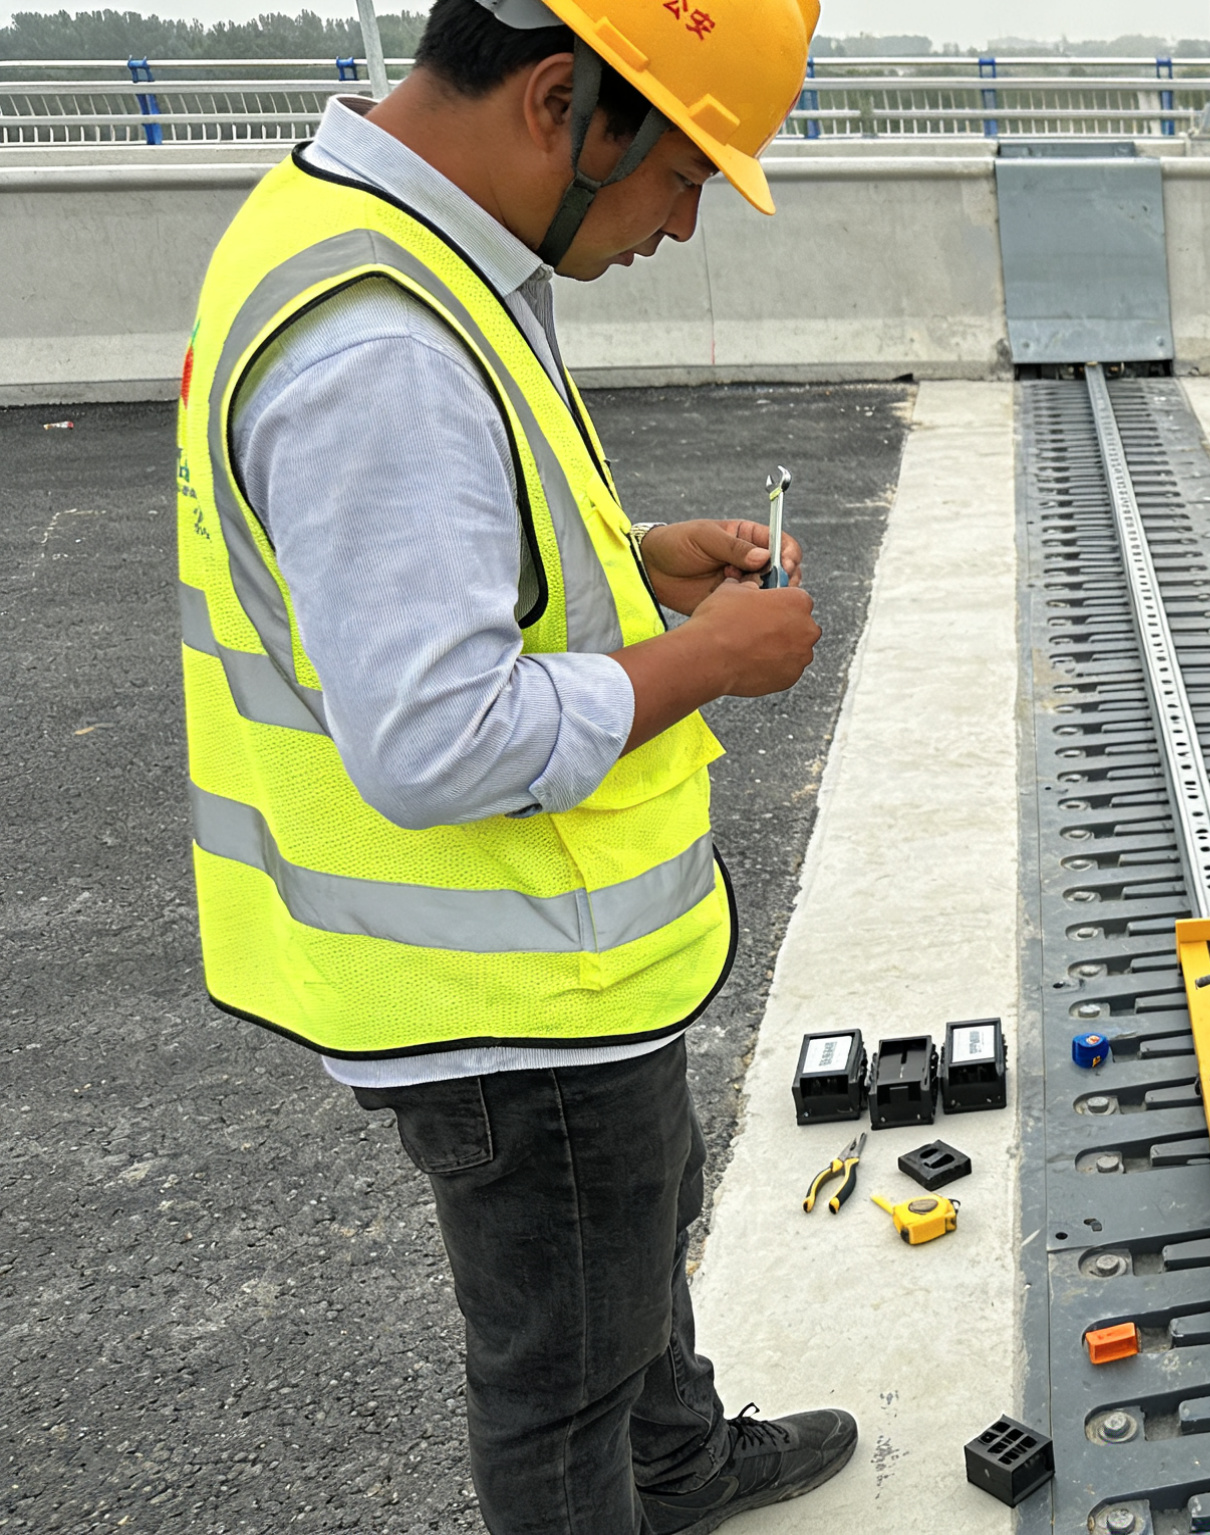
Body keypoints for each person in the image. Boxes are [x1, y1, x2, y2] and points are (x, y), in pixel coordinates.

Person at [173, 0, 853, 1527]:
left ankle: (675, 1463)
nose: (681, 226)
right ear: (563, 101)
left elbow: (441, 560)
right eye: (678, 176)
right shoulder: (381, 346)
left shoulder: (375, 237)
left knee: (641, 1231)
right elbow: (432, 734)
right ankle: (640, 1465)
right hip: (506, 993)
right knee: (562, 1377)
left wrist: (632, 557)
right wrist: (712, 658)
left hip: (566, 963)